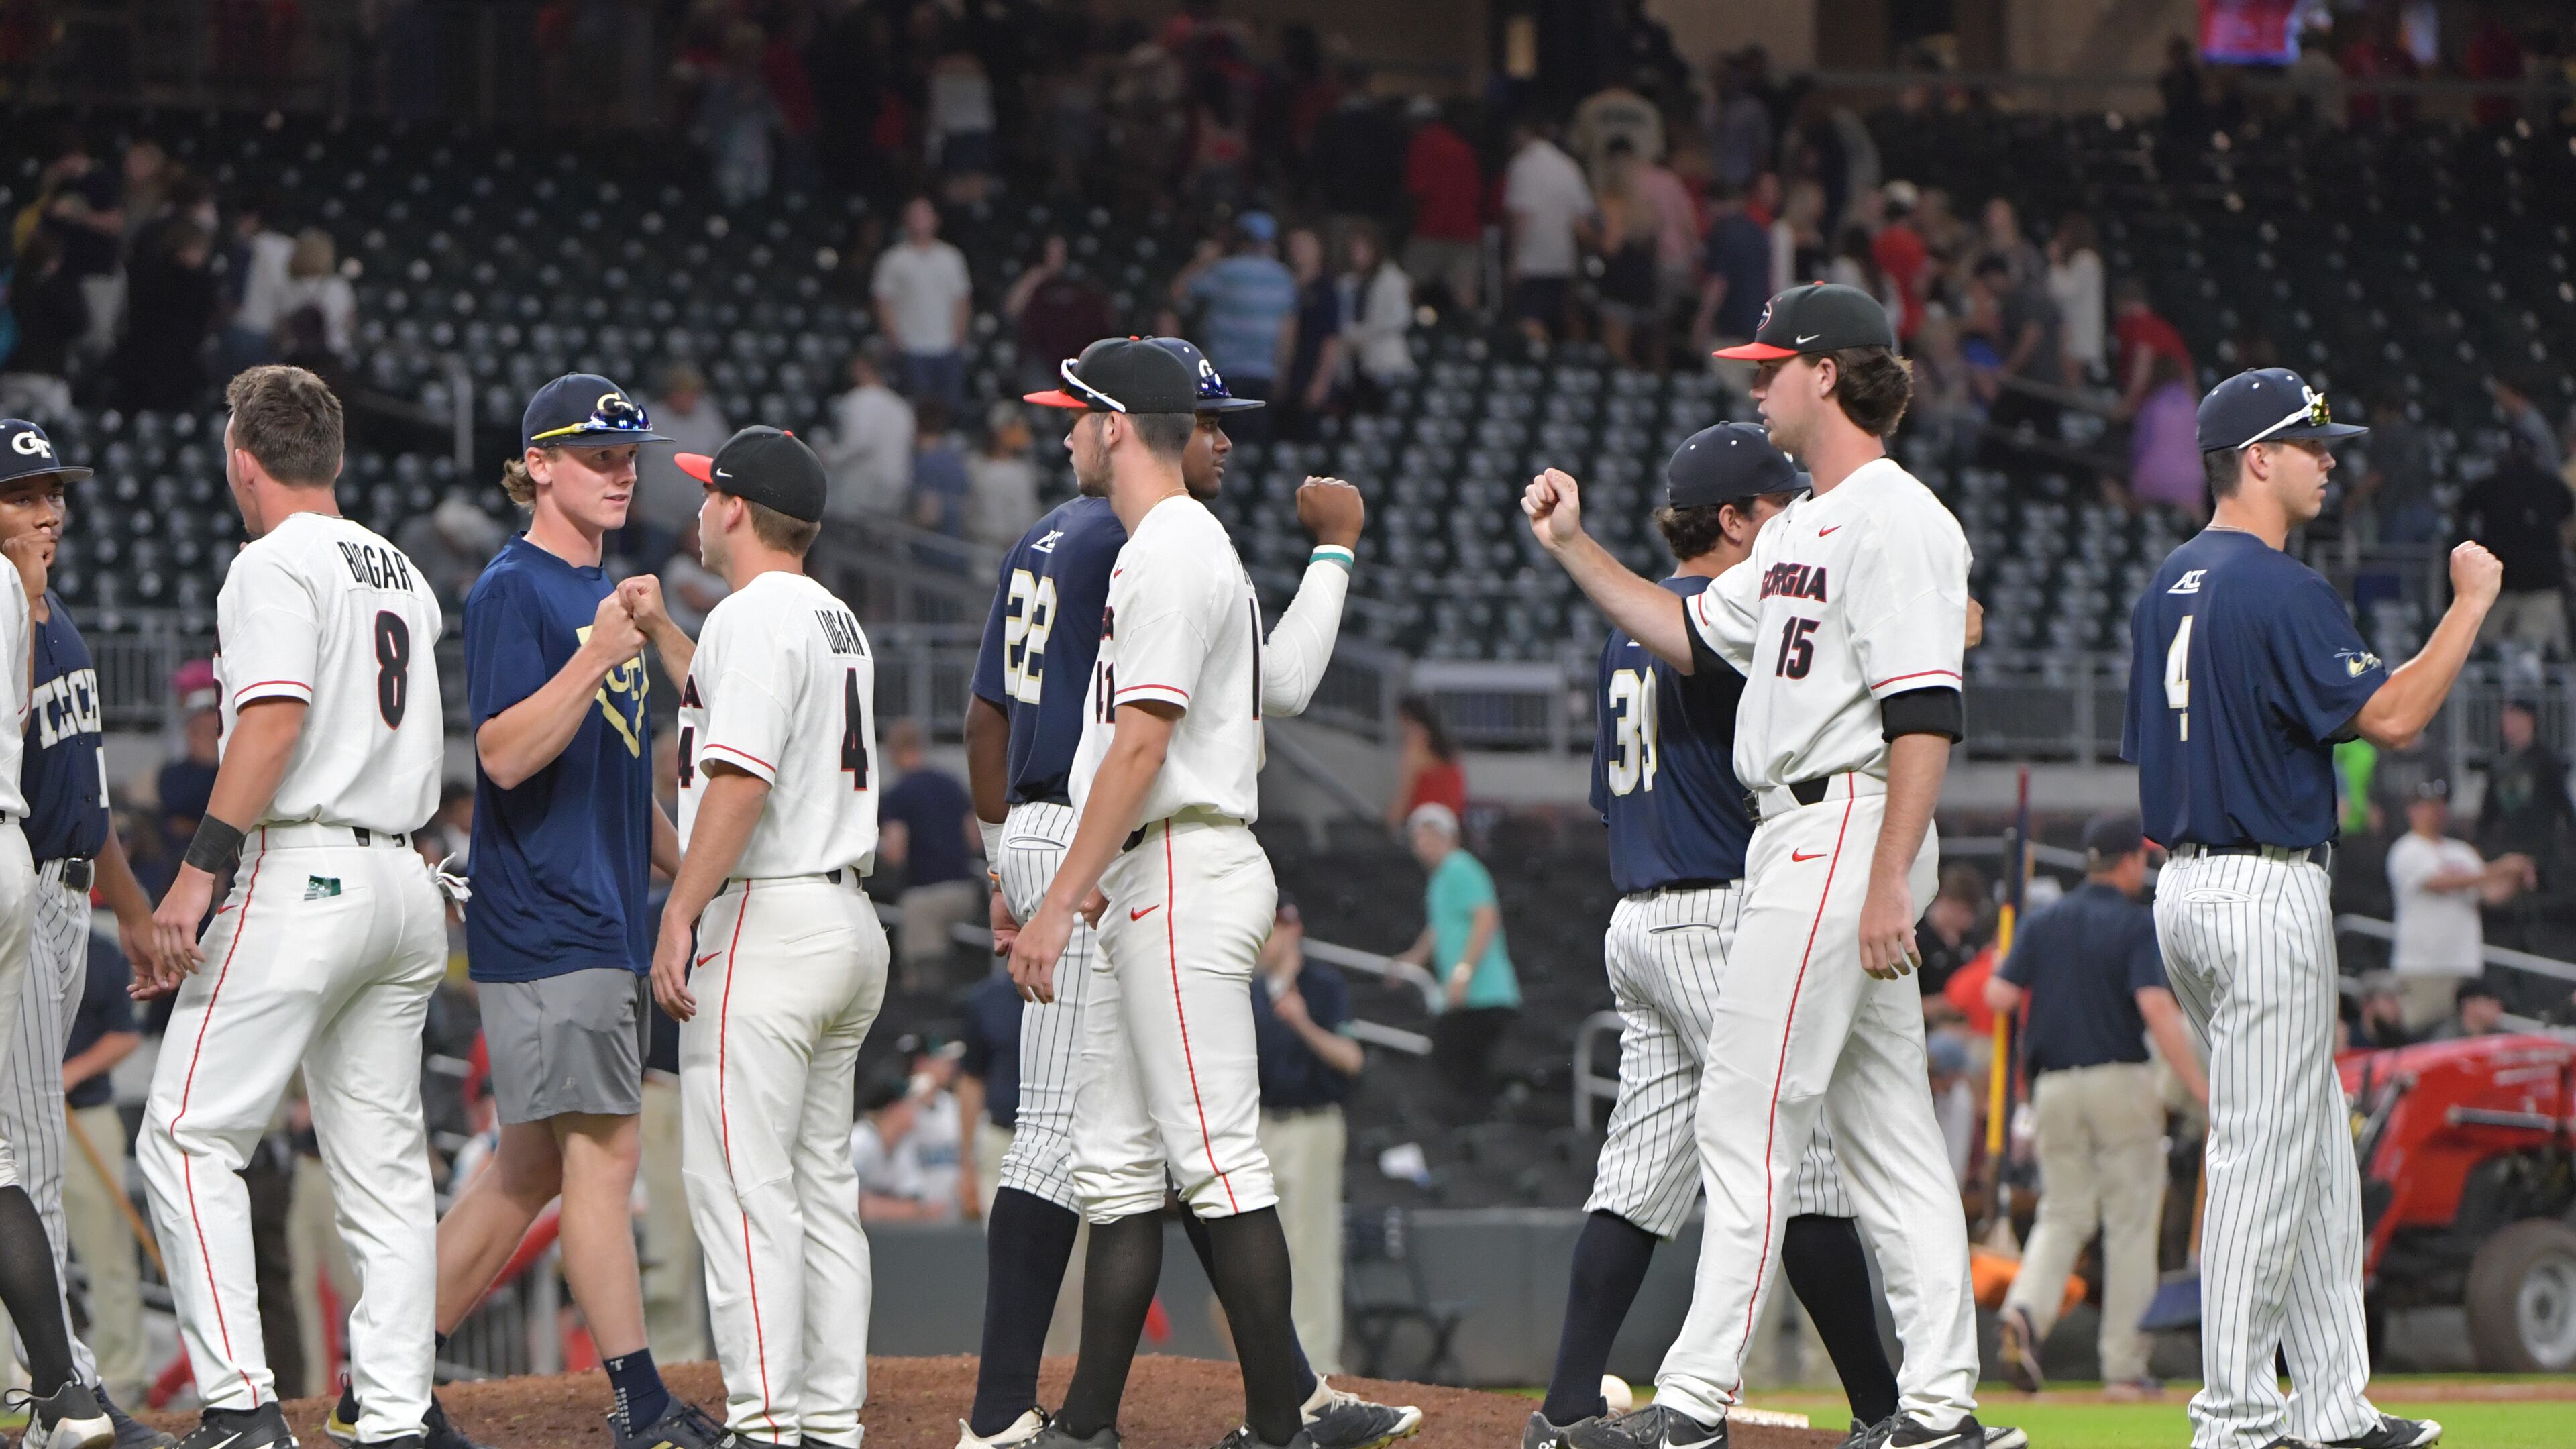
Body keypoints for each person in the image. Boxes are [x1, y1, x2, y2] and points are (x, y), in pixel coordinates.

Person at [1523, 282, 2013, 1449]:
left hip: (1844, 822)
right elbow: (1690, 631)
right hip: (1801, 828)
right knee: (1891, 1139)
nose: (1755, 383)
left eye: (1771, 365)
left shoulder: (1898, 518)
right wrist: (1570, 546)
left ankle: (1691, 1404)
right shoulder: (1800, 528)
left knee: (1746, 1119)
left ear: (1829, 374)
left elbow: (1927, 716)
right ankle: (1938, 1411)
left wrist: (1896, 876)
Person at [959, 335, 1399, 1449]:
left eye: (1076, 414)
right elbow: (1261, 689)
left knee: (1208, 1152)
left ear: (1114, 425)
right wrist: (1079, 885)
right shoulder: (1161, 544)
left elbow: (1142, 741)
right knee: (1114, 1160)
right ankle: (1087, 1425)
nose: (1061, 431)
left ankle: (1277, 1422)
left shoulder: (1174, 549)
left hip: (1185, 859)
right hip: (1138, 862)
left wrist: (1057, 896)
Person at [2125, 364, 2490, 1449]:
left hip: (2187, 885)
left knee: (2316, 1146)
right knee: (2258, 1153)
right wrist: (2469, 604)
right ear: (2255, 459)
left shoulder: (2170, 584)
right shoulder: (2278, 585)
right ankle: (2234, 1415)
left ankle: (2333, 1406)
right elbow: (2397, 717)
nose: (2331, 461)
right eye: (2309, 444)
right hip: (2260, 884)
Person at [1525, 423, 1900, 1449]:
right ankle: (1881, 1410)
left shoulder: (1625, 624)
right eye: (1775, 508)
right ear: (1732, 521)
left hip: (1639, 913)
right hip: (1723, 909)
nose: (1795, 523)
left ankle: (1562, 1407)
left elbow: (1615, 798)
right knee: (1807, 1163)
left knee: (1640, 1171)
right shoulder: (1735, 620)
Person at [135, 366, 451, 1449]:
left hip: (304, 866)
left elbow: (270, 722)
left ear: (242, 458)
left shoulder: (269, 562)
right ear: (338, 457)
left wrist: (198, 870)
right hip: (403, 879)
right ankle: (399, 1415)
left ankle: (241, 1407)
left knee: (183, 1135)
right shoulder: (402, 568)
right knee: (386, 1171)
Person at [402, 374, 705, 1449]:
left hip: (599, 913)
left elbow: (620, 781)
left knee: (528, 1165)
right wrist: (593, 657)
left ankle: (381, 1386)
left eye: (629, 458)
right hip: (551, 919)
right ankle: (638, 1400)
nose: (623, 474)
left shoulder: (604, 587)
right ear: (537, 463)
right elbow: (501, 754)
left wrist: (695, 875)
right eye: (597, 457)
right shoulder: (512, 589)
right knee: (604, 1155)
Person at [651, 425, 888, 1448]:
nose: (700, 507)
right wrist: (667, 635)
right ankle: (830, 1421)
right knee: (822, 1186)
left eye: (710, 493)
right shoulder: (834, 619)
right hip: (844, 921)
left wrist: (679, 908)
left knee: (743, 1189)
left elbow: (740, 779)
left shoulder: (750, 617)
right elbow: (734, 705)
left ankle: (765, 1425)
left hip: (767, 916)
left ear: (737, 509)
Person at [0, 419, 161, 1449]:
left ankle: (39, 1385)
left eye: (55, 491)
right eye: (24, 494)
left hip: (62, 895)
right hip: (18, 892)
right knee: (28, 1159)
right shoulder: (14, 614)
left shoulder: (53, 622)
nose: (49, 510)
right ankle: (67, 1389)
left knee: (28, 1153)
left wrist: (133, 907)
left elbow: (88, 792)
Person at [1984, 812, 2206, 1399]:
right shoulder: (2135, 924)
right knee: (2130, 1224)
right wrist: (2203, 1091)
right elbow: (2157, 1009)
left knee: (2064, 1214)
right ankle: (2124, 1367)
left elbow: (1998, 994)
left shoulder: (2044, 921)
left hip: (2052, 1089)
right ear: (2131, 860)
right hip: (2119, 1082)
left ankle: (2026, 1311)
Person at [1250, 898, 1360, 1377]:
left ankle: (1317, 1369)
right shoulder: (1247, 990)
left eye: (1271, 929)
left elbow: (1351, 1059)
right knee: (1255, 1248)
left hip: (1312, 1124)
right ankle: (1268, 1364)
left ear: (1292, 931)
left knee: (1311, 1247)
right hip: (1259, 1124)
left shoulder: (1323, 986)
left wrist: (1303, 1022)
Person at [62, 936, 147, 1411]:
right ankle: (8, 1380)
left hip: (85, 1116)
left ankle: (123, 1381)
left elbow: (126, 1033)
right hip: (13, 1119)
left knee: (108, 1252)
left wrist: (69, 1074)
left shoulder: (98, 951)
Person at [1393, 804, 1521, 1102]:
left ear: (1448, 836)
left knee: (1461, 1080)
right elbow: (1439, 928)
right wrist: (1412, 960)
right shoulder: (1440, 879)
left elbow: (1486, 919)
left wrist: (1462, 974)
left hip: (1482, 998)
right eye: (1417, 837)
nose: (1420, 843)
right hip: (1465, 1001)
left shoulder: (1459, 867)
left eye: (1428, 834)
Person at [2386, 781, 2519, 1032]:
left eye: (2440, 805)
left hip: (2464, 963)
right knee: (2421, 1037)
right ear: (2412, 811)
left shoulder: (2462, 851)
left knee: (2464, 1040)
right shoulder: (2406, 849)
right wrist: (2498, 868)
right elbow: (2440, 883)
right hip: (2423, 967)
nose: (2436, 812)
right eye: (2428, 806)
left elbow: (2491, 894)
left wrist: (2517, 876)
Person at [879, 719, 983, 989]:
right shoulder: (951, 784)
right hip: (966, 892)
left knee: (924, 969)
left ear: (892, 751)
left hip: (925, 898)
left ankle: (929, 1009)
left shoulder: (896, 796)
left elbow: (895, 852)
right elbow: (974, 837)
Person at [1170, 213, 1297, 428]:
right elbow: (1288, 332)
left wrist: (1202, 261)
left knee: (1227, 444)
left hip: (1225, 369)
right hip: (1265, 373)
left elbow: (1177, 292)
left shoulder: (1223, 271)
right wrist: (1283, 373)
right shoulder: (1284, 277)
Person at [2456, 437, 2571, 656]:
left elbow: (2460, 511)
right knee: (2532, 653)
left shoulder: (2489, 485)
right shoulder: (2552, 485)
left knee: (2490, 653)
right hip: (2538, 582)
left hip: (2503, 583)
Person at [873, 198, 973, 412]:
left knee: (950, 409)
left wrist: (958, 337)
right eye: (915, 215)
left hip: (946, 347)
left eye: (925, 215)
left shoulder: (951, 257)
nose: (920, 221)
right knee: (917, 408)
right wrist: (894, 339)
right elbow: (883, 301)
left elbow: (962, 299)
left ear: (935, 220)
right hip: (911, 348)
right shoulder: (894, 259)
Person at [1503, 119, 1593, 343]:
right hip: (1563, 259)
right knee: (1560, 317)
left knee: (1529, 318)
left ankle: (1537, 363)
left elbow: (1522, 215)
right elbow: (1582, 218)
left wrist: (1514, 258)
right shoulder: (1568, 166)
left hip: (1533, 259)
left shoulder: (1523, 165)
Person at [637, 364, 733, 564]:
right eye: (682, 393)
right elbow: (630, 460)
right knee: (652, 569)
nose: (688, 399)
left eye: (692, 394)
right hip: (657, 518)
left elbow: (725, 462)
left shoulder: (710, 420)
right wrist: (633, 500)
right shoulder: (651, 419)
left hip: (697, 520)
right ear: (670, 393)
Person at [1003, 236, 1115, 400]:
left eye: (1060, 252)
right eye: (1051, 253)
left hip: (1078, 359)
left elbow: (1107, 319)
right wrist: (1035, 277)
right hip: (1042, 361)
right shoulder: (1035, 283)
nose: (1056, 258)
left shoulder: (1082, 283)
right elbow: (1011, 311)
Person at [1400, 99, 1483, 313]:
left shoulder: (1422, 144)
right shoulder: (1463, 147)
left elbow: (1416, 190)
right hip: (1466, 232)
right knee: (1464, 296)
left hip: (1431, 230)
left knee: (1407, 287)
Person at [819, 348, 916, 521]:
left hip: (863, 485)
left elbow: (859, 443)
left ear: (861, 368)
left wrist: (829, 456)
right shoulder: (901, 406)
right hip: (895, 485)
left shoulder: (860, 399)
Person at [0, 231, 85, 423]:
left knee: (14, 437)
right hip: (47, 377)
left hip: (13, 373)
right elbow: (80, 324)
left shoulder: (12, 282)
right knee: (53, 438)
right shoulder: (61, 288)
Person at [2477, 698, 2571, 865]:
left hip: (2542, 850)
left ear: (2529, 720)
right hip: (2509, 849)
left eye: (2514, 717)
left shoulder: (2547, 760)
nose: (2508, 724)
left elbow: (2564, 805)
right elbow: (2488, 813)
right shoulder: (2500, 764)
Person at [1690, 180, 1770, 357]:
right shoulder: (1758, 232)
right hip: (1756, 320)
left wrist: (1702, 323)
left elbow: (1718, 283)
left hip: (1729, 325)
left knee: (1727, 379)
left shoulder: (1723, 232)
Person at [1338, 225, 1415, 407]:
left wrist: (1362, 333)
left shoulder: (1394, 280)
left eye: (1361, 248)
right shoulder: (1346, 283)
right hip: (1352, 359)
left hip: (1383, 360)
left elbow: (1399, 318)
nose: (1356, 254)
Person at [1277, 227, 1342, 439]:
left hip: (1311, 370)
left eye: (1305, 245)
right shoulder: (1283, 284)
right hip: (1285, 372)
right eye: (1294, 245)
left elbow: (1331, 339)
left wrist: (1321, 382)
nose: (1298, 251)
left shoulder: (1327, 289)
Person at [851, 1074, 943, 1220]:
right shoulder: (859, 1142)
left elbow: (913, 1202)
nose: (916, 1107)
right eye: (909, 1102)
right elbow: (851, 1205)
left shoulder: (903, 1145)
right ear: (894, 1108)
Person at [966, 404, 1040, 551]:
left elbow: (1026, 513)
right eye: (1013, 427)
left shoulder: (1022, 472)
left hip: (1011, 549)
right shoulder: (974, 463)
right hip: (977, 545)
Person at [1384, 697, 1464, 830]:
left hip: (1426, 819)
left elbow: (1406, 791)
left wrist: (1389, 823)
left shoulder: (1416, 743)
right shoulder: (1443, 744)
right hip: (1450, 818)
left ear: (1405, 717)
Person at [2424, 981, 2508, 1041]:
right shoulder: (2447, 1038)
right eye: (2489, 1004)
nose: (2498, 1010)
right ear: (2469, 1006)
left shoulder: (2499, 1036)